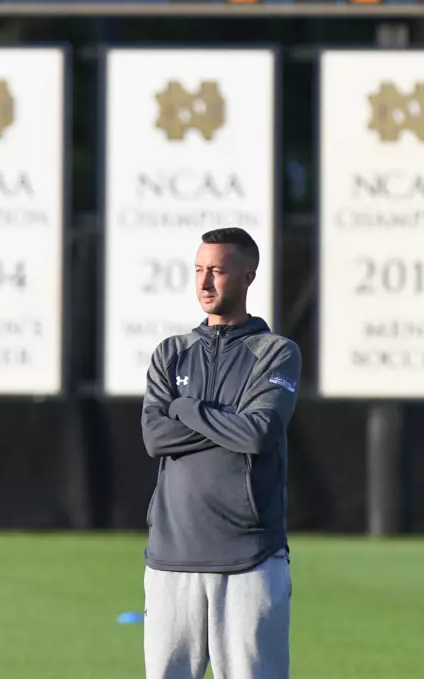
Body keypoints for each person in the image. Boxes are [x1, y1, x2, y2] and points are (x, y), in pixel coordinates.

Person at [139, 227, 302, 679]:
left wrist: (185, 408)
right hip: (171, 556)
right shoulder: (171, 353)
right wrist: (228, 420)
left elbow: (258, 433)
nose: (205, 283)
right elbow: (154, 437)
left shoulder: (275, 353)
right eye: (198, 270)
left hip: (249, 556)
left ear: (248, 276)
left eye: (217, 271)